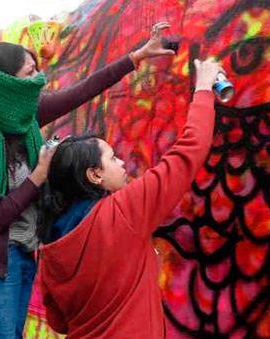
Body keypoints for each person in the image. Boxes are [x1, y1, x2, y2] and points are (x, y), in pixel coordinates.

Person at [0, 22, 175, 338]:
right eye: (29, 73)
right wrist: (39, 174)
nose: (38, 79)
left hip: (23, 250)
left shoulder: (26, 114)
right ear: (5, 83)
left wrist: (138, 55)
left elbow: (84, 89)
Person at [38, 59, 221, 338]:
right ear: (94, 174)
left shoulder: (50, 247)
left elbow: (59, 322)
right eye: (112, 158)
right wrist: (205, 87)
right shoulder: (124, 210)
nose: (122, 163)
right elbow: (189, 150)